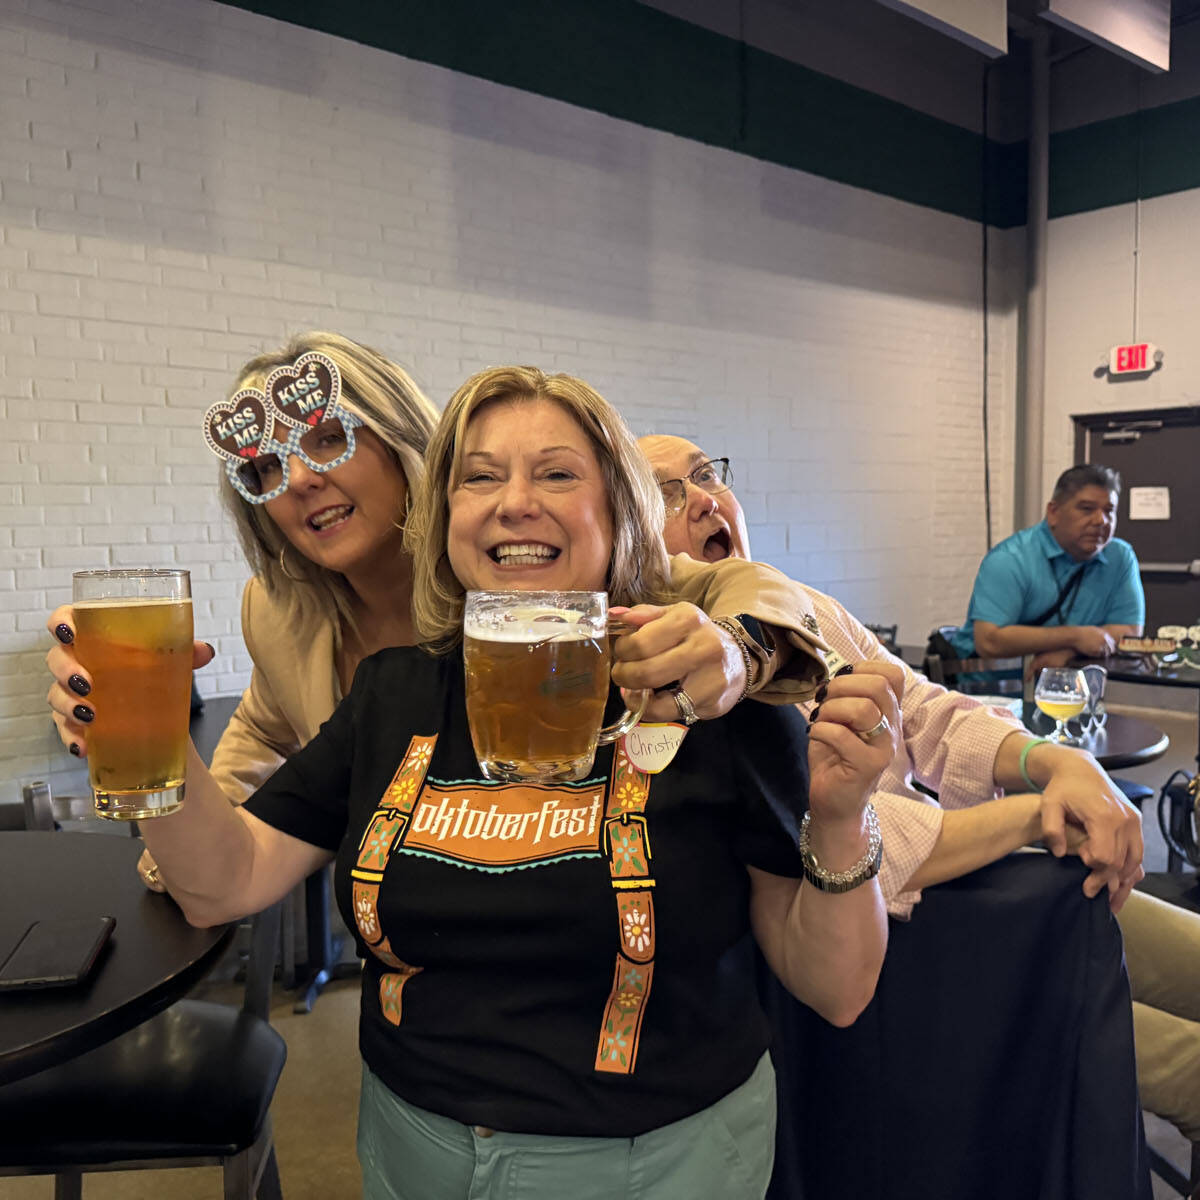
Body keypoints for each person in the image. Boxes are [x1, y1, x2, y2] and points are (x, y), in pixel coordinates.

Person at [76, 366, 895, 1199]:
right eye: (479, 476)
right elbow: (228, 880)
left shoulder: (709, 690)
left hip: (655, 1163)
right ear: (445, 520)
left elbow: (836, 990)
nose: (513, 502)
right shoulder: (393, 691)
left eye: (557, 473)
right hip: (411, 1145)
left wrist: (839, 818)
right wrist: (151, 738)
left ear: (620, 510)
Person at [45, 333, 827, 893]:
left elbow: (732, 588)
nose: (301, 481)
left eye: (328, 439)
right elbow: (266, 733)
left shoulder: (522, 585)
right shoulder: (282, 612)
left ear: (405, 443)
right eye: (268, 467)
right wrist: (166, 795)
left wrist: (739, 649)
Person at [639, 433, 1200, 1163]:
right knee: (1192, 1069)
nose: (708, 501)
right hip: (921, 954)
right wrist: (1036, 809)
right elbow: (853, 830)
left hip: (1003, 884)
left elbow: (926, 707)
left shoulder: (801, 603)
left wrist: (1049, 760)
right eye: (668, 494)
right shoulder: (686, 675)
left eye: (708, 475)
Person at [952, 463, 1145, 672]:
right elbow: (989, 641)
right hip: (995, 692)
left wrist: (1069, 652)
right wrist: (1075, 636)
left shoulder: (1120, 556)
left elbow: (1128, 631)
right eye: (1087, 509)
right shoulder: (1010, 559)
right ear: (1053, 512)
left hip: (1073, 689)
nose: (1101, 520)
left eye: (1109, 511)